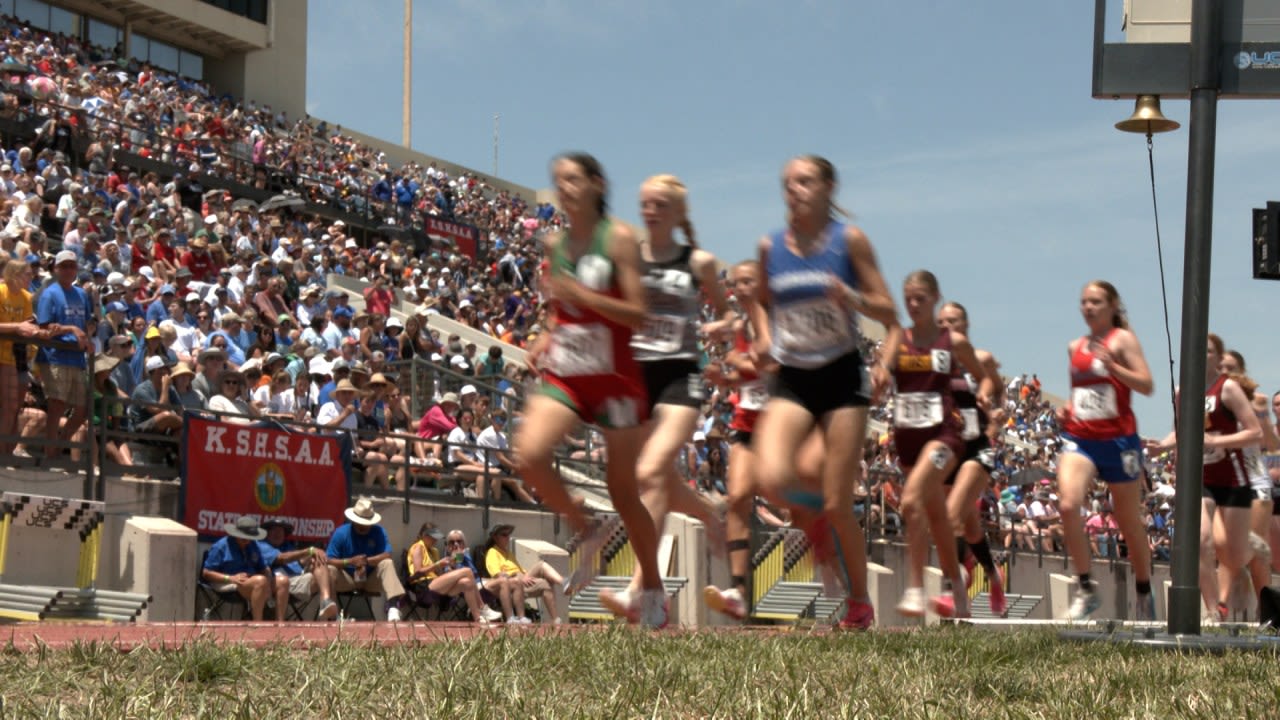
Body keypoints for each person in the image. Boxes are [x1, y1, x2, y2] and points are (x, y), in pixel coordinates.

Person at [742, 156, 898, 630]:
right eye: (787, 183)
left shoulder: (848, 241)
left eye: (805, 181)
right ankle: (818, 532)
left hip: (842, 376)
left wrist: (853, 301)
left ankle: (858, 603)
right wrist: (764, 335)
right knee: (769, 477)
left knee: (835, 501)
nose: (795, 190)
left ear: (829, 187)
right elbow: (761, 303)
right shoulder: (771, 246)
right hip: (793, 375)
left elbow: (889, 313)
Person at [512, 153, 665, 626]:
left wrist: (586, 297)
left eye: (573, 179)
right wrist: (543, 338)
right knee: (528, 456)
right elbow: (560, 310)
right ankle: (585, 526)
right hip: (569, 375)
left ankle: (653, 588)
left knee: (623, 491)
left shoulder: (618, 238)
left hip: (617, 378)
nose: (564, 187)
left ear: (597, 184)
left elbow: (640, 312)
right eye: (557, 180)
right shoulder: (556, 243)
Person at [597, 174, 732, 621]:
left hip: (681, 379)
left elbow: (728, 313)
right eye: (644, 203)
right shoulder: (629, 259)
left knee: (651, 472)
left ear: (677, 213)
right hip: (638, 378)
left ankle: (644, 590)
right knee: (664, 484)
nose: (649, 211)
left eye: (659, 204)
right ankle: (712, 514)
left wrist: (720, 328)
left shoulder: (701, 262)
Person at [880, 271, 992, 619]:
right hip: (907, 440)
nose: (913, 305)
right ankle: (956, 585)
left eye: (921, 299)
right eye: (908, 298)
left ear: (934, 298)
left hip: (944, 437)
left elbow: (985, 375)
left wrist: (985, 395)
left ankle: (914, 588)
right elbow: (882, 371)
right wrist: (878, 378)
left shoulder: (952, 342)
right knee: (937, 516)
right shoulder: (897, 338)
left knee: (911, 502)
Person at [1057, 281, 1156, 621]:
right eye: (1084, 302)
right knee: (1068, 504)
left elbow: (1146, 385)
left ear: (1113, 305)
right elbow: (1082, 393)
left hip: (1119, 441)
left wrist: (1114, 367)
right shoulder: (1076, 346)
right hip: (1080, 438)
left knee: (1128, 522)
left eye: (1096, 301)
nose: (1088, 307)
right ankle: (1086, 587)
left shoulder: (1123, 340)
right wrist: (1068, 409)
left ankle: (1144, 590)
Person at [1148, 333, 1262, 621]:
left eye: (1209, 351)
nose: (1203, 356)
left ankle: (1252, 550)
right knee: (1199, 538)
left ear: (1218, 357)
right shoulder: (1183, 391)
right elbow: (1183, 430)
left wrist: (1216, 442)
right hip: (1200, 477)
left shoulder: (1229, 389)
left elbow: (1254, 432)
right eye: (1198, 351)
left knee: (1231, 555)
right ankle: (1213, 611)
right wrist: (1163, 444)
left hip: (1233, 478)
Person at [702, 260, 769, 620]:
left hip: (781, 427)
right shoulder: (742, 326)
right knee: (740, 498)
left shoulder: (777, 322)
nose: (740, 289)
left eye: (748, 281)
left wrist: (737, 364)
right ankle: (740, 591)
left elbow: (772, 366)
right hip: (746, 425)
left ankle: (846, 579)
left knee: (786, 500)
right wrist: (726, 378)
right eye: (736, 283)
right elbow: (749, 376)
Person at [937, 300, 1007, 616]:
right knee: (969, 525)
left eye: (952, 321)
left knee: (950, 517)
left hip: (978, 447)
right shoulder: (934, 361)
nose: (946, 327)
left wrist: (994, 414)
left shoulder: (980, 357)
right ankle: (993, 575)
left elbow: (995, 384)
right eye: (941, 322)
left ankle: (952, 590)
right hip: (948, 449)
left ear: (965, 325)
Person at [1218, 349, 1279, 602]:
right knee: (1229, 544)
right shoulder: (1214, 402)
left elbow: (1271, 443)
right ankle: (1224, 603)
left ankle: (1257, 607)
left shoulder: (1257, 401)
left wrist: (1262, 415)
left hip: (1258, 483)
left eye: (1231, 368)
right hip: (1231, 480)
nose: (1225, 372)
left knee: (1259, 549)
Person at [35, 250, 91, 459]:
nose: (68, 270)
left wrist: (86, 338)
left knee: (81, 409)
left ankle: (56, 448)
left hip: (77, 357)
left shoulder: (82, 294)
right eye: (64, 266)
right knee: (57, 404)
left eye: (72, 266)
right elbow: (44, 327)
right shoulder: (49, 293)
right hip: (55, 355)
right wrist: (71, 330)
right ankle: (51, 451)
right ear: (56, 269)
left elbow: (85, 323)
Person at [324, 497, 407, 622]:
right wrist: (350, 562)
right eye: (360, 522)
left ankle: (393, 607)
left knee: (387, 563)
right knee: (329, 570)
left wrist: (366, 561)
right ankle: (333, 614)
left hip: (370, 579)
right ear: (353, 520)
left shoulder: (379, 531)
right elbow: (328, 560)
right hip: (347, 578)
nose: (363, 526)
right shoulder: (341, 533)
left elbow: (387, 554)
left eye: (366, 523)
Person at [404, 523, 502, 624]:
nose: (435, 540)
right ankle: (482, 607)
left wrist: (453, 562)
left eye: (436, 538)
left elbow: (442, 574)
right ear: (424, 535)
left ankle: (478, 618)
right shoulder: (418, 547)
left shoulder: (435, 551)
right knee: (467, 571)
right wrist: (438, 564)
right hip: (423, 587)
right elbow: (417, 572)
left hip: (438, 585)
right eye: (433, 538)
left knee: (466, 582)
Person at [259, 519, 339, 621]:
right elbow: (282, 558)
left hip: (298, 578)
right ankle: (333, 617)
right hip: (282, 583)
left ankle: (326, 602)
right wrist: (309, 550)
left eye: (281, 531)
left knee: (324, 565)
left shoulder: (287, 546)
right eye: (274, 530)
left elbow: (299, 562)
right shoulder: (262, 545)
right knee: (326, 573)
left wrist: (313, 555)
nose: (278, 534)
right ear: (267, 533)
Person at [201, 516, 278, 622]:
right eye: (243, 538)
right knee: (260, 582)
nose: (247, 541)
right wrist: (230, 578)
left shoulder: (253, 545)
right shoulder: (221, 546)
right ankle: (258, 623)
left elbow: (264, 568)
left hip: (249, 580)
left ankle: (279, 622)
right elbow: (206, 573)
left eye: (250, 538)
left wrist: (269, 584)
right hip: (226, 581)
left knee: (281, 581)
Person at [484, 523, 563, 624]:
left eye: (508, 535)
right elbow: (498, 575)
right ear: (495, 537)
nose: (507, 537)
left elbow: (521, 571)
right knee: (542, 568)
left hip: (521, 579)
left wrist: (523, 576)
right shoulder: (492, 552)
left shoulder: (509, 553)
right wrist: (519, 577)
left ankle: (556, 619)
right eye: (504, 535)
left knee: (546, 579)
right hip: (511, 584)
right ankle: (563, 583)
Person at [1, 258, 40, 454]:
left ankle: (7, 452)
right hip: (4, 358)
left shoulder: (26, 297)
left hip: (15, 359)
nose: (31, 278)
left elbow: (27, 326)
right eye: (27, 274)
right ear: (14, 275)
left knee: (13, 408)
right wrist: (17, 327)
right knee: (8, 406)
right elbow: (19, 327)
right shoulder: (0, 292)